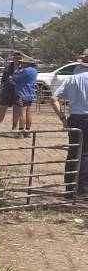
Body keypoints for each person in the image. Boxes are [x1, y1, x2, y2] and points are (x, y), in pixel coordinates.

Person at [51, 62, 88, 196]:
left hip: (75, 118)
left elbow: (53, 98)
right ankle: (83, 189)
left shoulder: (72, 79)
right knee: (85, 154)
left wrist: (63, 119)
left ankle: (70, 187)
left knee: (73, 152)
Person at [0, 51, 23, 133]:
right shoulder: (8, 67)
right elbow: (3, 80)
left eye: (18, 58)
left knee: (16, 110)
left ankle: (14, 127)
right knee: (2, 109)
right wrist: (1, 91)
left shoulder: (23, 68)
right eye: (15, 57)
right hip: (7, 91)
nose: (16, 59)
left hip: (18, 91)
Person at [12, 54, 39, 135]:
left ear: (27, 63)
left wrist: (15, 72)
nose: (21, 64)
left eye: (23, 63)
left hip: (22, 93)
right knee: (28, 112)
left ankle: (20, 131)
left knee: (22, 113)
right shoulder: (34, 70)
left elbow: (14, 77)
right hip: (30, 94)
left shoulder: (25, 71)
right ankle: (27, 131)